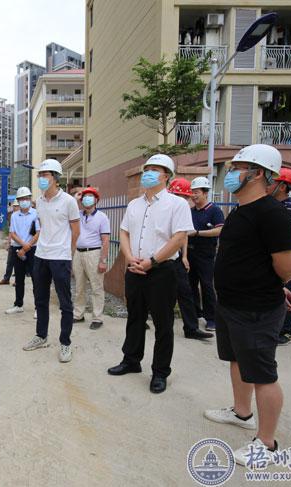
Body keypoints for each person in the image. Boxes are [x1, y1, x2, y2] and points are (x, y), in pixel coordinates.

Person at [203, 144, 291, 466]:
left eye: (236, 168)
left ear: (257, 173)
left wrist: (273, 287)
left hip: (255, 308)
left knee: (262, 374)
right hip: (230, 304)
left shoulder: (273, 214)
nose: (230, 174)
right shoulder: (240, 210)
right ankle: (242, 412)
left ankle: (267, 444)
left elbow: (288, 267)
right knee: (237, 360)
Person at [107, 154, 194, 394]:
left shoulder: (176, 204)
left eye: (155, 169)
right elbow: (124, 232)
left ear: (166, 176)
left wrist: (152, 261)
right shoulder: (134, 205)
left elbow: (179, 238)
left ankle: (160, 372)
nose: (148, 173)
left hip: (162, 271)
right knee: (135, 317)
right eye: (147, 169)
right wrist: (129, 257)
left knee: (163, 322)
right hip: (134, 269)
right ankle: (131, 360)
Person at [22, 159, 80, 363]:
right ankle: (41, 336)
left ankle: (65, 343)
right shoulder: (39, 201)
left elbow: (76, 231)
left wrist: (68, 254)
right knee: (40, 299)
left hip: (60, 257)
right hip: (41, 256)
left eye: (45, 175)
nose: (41, 178)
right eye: (40, 175)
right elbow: (44, 228)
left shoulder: (68, 201)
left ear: (55, 178)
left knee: (65, 303)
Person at [168, 178, 213, 340]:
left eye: (186, 197)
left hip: (177, 257)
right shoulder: (163, 209)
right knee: (163, 293)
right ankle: (160, 323)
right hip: (161, 257)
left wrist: (184, 256)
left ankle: (191, 328)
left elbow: (184, 234)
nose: (185, 199)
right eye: (182, 196)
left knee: (185, 293)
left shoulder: (184, 210)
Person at [267, 167, 291, 345]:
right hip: (271, 255)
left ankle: (287, 330)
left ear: (282, 186)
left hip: (285, 256)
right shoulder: (270, 204)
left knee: (288, 293)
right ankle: (274, 327)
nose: (268, 184)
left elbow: (278, 231)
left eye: (272, 181)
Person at [188, 176, 225, 333]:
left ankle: (211, 318)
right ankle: (196, 314)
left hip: (205, 254)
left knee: (206, 285)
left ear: (205, 193)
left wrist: (198, 233)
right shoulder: (190, 211)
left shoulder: (214, 211)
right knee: (191, 285)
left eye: (197, 192)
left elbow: (219, 230)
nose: (194, 196)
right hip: (189, 252)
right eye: (192, 192)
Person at [72, 187, 110, 330]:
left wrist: (103, 261)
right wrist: (75, 199)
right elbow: (68, 210)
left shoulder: (102, 217)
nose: (87, 199)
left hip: (93, 253)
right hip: (78, 253)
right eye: (85, 196)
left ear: (96, 200)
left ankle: (97, 318)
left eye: (90, 196)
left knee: (96, 287)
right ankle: (78, 314)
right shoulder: (78, 215)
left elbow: (105, 240)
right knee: (79, 286)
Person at [5, 188, 38, 315]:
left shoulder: (36, 213)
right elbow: (12, 233)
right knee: (19, 278)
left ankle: (38, 307)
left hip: (32, 248)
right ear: (18, 201)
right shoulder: (14, 215)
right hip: (18, 249)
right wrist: (23, 246)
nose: (24, 201)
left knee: (36, 278)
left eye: (27, 198)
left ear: (30, 199)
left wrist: (27, 246)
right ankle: (18, 304)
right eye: (22, 199)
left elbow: (39, 232)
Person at [0, 200, 20, 285]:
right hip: (13, 243)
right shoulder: (12, 216)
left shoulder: (22, 216)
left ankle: (17, 280)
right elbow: (11, 231)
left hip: (20, 243)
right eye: (14, 206)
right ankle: (6, 279)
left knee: (18, 263)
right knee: (9, 262)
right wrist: (8, 242)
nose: (15, 207)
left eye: (16, 206)